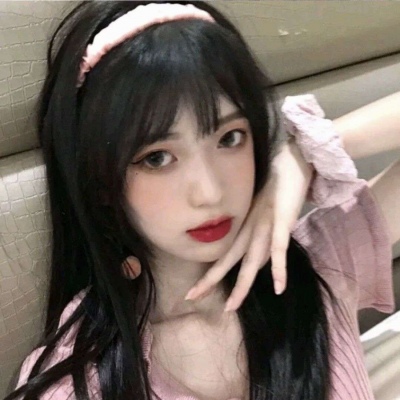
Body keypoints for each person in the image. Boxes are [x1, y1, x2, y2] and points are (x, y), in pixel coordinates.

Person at [5, 1, 400, 399]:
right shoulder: (77, 382)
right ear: (102, 182)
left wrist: (301, 155)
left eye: (230, 138)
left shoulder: (318, 263)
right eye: (157, 158)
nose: (210, 192)